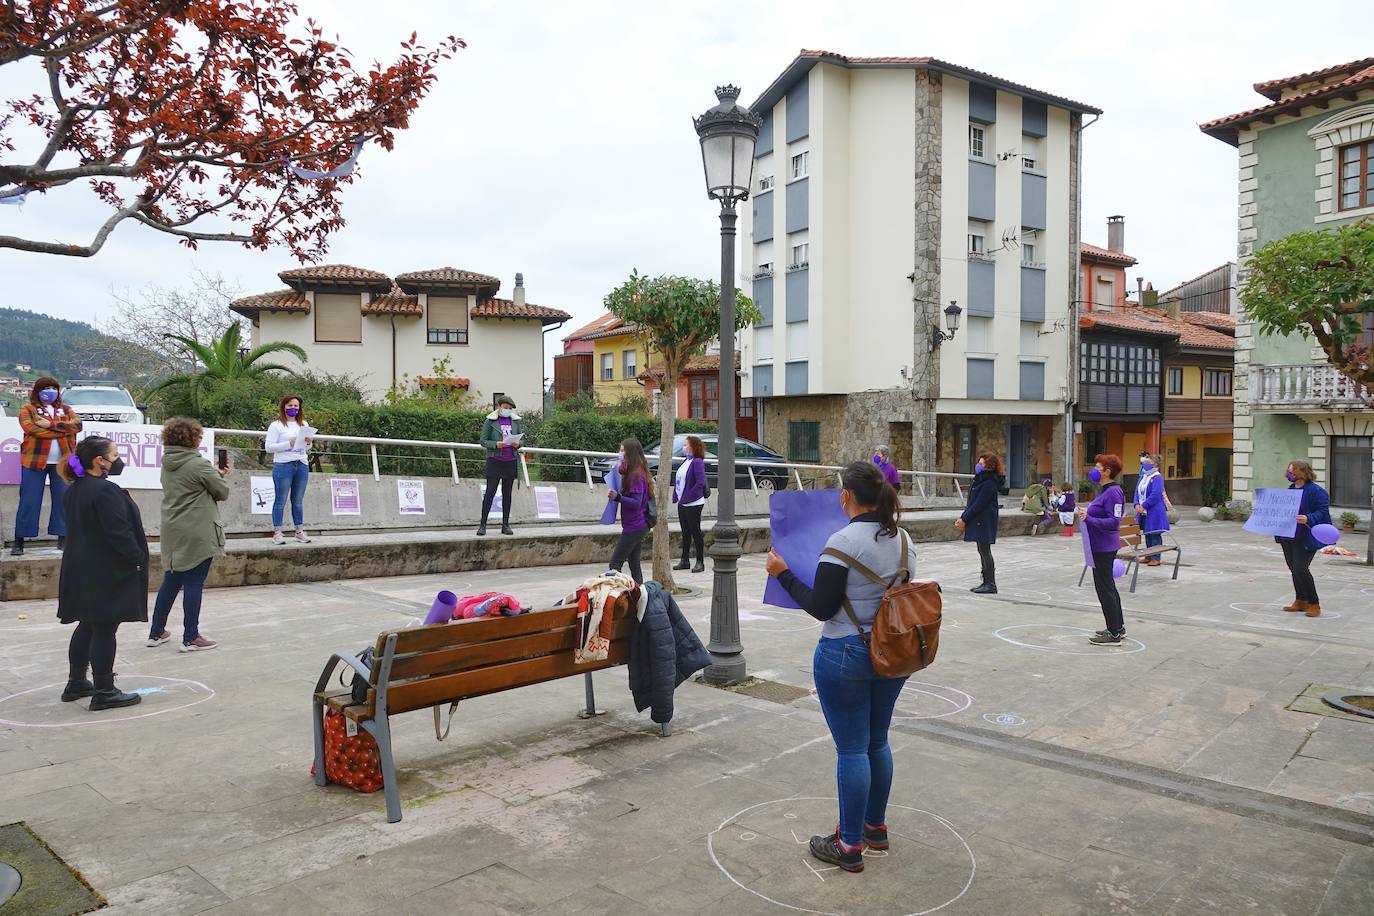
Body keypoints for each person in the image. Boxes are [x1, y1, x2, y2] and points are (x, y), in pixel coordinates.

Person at [764, 461, 916, 873]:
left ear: (845, 496)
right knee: (877, 742)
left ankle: (848, 846)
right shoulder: (903, 539)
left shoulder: (843, 542)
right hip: (893, 654)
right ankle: (875, 828)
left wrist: (783, 574)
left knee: (852, 750)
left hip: (845, 652)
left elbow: (821, 607)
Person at [56, 436, 148, 710]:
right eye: (114, 454)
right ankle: (105, 690)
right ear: (100, 461)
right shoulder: (105, 490)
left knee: (87, 623)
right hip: (105, 570)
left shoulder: (75, 489)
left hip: (81, 568)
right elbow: (118, 532)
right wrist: (137, 558)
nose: (117, 459)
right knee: (105, 628)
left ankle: (76, 682)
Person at [146, 418, 228, 653]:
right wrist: (218, 474)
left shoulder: (167, 462)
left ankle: (156, 632)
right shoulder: (198, 464)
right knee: (194, 582)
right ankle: (191, 636)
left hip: (173, 528)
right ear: (192, 438)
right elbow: (221, 491)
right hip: (198, 529)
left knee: (171, 580)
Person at [12, 377, 83, 556]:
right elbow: (31, 429)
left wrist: (51, 424)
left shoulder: (66, 409)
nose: (50, 391)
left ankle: (63, 538)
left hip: (63, 462)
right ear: (37, 390)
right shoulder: (28, 409)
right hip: (33, 461)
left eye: (54, 388)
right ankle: (19, 540)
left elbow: (78, 425)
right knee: (29, 500)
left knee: (63, 500)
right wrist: (62, 431)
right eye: (46, 388)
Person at [1079, 454, 1127, 646]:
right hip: (1099, 545)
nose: (1094, 471)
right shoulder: (1106, 491)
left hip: (1104, 547)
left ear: (1107, 471)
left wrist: (1089, 518)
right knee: (1108, 588)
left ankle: (1113, 632)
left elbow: (1113, 522)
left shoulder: (1113, 492)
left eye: (1098, 468)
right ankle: (1118, 626)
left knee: (1105, 588)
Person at [1276, 459, 1330, 618]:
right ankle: (1300, 600)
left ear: (1302, 473)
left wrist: (1308, 518)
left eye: (1292, 471)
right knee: (1294, 568)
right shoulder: (1290, 489)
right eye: (1288, 471)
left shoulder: (1316, 491)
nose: (1289, 474)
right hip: (1288, 535)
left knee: (1301, 568)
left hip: (1305, 536)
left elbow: (1322, 511)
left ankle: (1314, 603)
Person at [265, 394, 313, 545]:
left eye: (296, 406)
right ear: (284, 407)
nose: (293, 409)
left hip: (301, 464)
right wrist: (288, 443)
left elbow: (307, 447)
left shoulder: (303, 424)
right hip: (283, 465)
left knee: (297, 500)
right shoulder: (276, 425)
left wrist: (309, 442)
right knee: (280, 499)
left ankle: (299, 530)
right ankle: (278, 532)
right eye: (290, 406)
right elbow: (269, 448)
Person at [955, 452, 1002, 594]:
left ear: (989, 466)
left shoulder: (989, 483)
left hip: (984, 521)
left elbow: (979, 504)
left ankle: (990, 583)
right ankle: (986, 581)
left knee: (985, 550)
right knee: (982, 550)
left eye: (982, 464)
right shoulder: (981, 480)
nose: (978, 466)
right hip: (980, 520)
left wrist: (964, 518)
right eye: (979, 463)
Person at [606, 437, 650, 583]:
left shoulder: (636, 475)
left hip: (635, 526)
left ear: (630, 453)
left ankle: (616, 595)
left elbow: (636, 503)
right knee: (634, 564)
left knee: (615, 564)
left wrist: (618, 497)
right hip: (636, 524)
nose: (620, 453)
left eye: (623, 450)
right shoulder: (633, 471)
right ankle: (639, 594)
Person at [478, 395, 523, 536]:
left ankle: (505, 525)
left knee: (507, 494)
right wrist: (496, 444)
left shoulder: (515, 422)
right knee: (490, 492)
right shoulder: (490, 421)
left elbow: (523, 441)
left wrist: (518, 444)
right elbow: (483, 441)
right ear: (499, 406)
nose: (508, 410)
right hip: (495, 460)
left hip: (510, 460)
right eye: (505, 408)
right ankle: (483, 524)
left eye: (510, 409)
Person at [672, 435, 708, 573]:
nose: (684, 447)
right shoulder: (685, 461)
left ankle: (700, 561)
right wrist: (676, 494)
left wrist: (688, 496)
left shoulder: (697, 462)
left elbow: (699, 482)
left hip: (694, 503)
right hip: (683, 502)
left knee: (695, 532)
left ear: (693, 447)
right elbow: (679, 480)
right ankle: (684, 560)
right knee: (685, 532)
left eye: (686, 445)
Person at [1134, 452, 1169, 566]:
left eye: (1147, 462)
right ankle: (1149, 555)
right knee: (1147, 533)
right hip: (1143, 511)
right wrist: (1136, 505)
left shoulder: (1157, 477)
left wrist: (1144, 505)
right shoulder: (1143, 477)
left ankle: (1156, 557)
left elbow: (1156, 494)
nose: (1144, 464)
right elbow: (1137, 492)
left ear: (1154, 464)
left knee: (1154, 534)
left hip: (1153, 511)